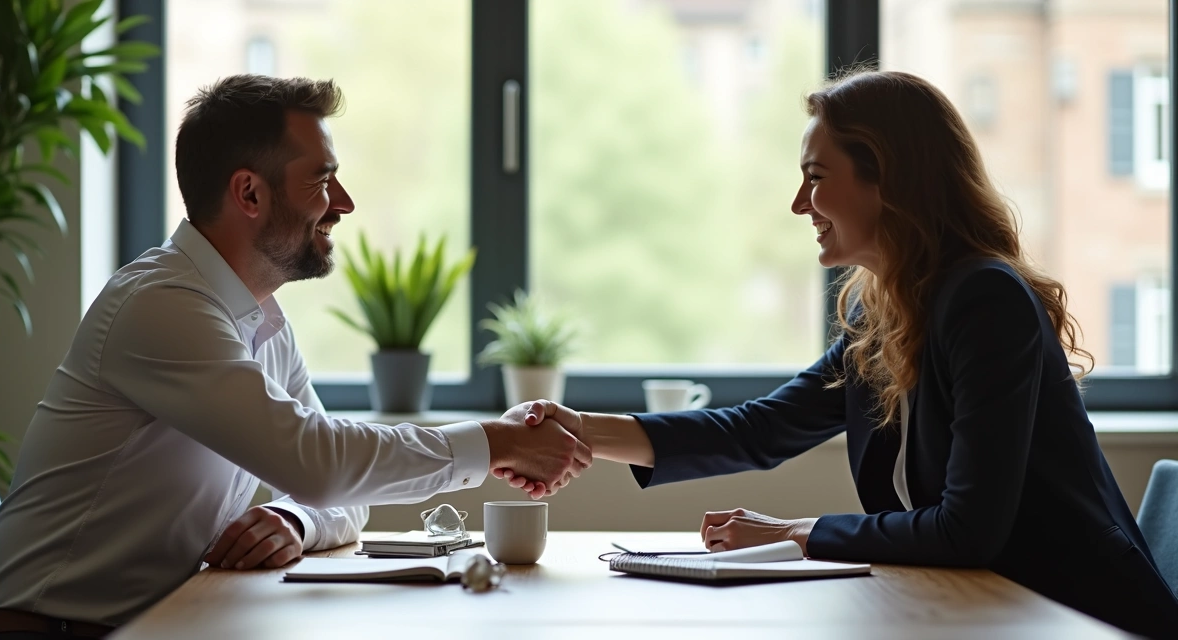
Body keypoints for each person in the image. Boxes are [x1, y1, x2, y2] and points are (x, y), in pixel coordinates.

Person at [498, 70, 1178, 638]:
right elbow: (761, 429)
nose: (801, 204)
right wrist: (578, 430)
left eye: (816, 177)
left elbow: (968, 531)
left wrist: (794, 531)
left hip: (1079, 618)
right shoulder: (877, 308)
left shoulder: (984, 301)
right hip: (985, 611)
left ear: (888, 179)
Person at [0, 75, 589, 636]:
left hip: (150, 622)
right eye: (321, 179)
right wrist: (495, 443)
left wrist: (293, 521)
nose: (342, 203)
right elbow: (320, 464)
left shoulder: (259, 320)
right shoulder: (163, 306)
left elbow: (337, 491)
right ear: (250, 194)